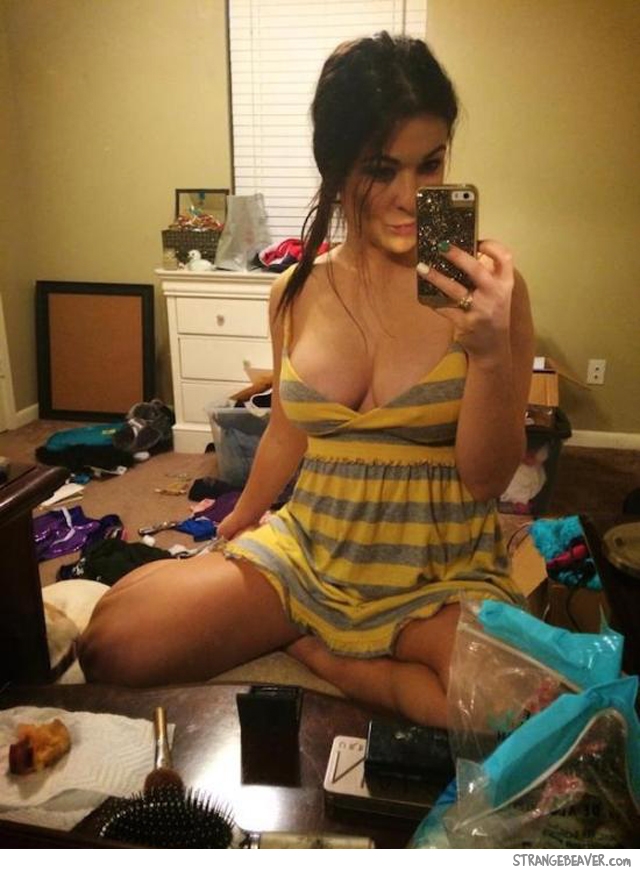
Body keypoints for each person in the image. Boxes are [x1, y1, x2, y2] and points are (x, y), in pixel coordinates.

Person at [79, 32, 534, 727]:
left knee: (502, 704)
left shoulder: (489, 295)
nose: (411, 196)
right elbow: (287, 433)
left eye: (431, 163)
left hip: (436, 569)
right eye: (381, 168)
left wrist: (493, 354)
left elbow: (486, 478)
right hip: (312, 550)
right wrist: (237, 523)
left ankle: (321, 654)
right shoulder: (294, 292)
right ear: (336, 165)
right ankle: (308, 625)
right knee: (112, 641)